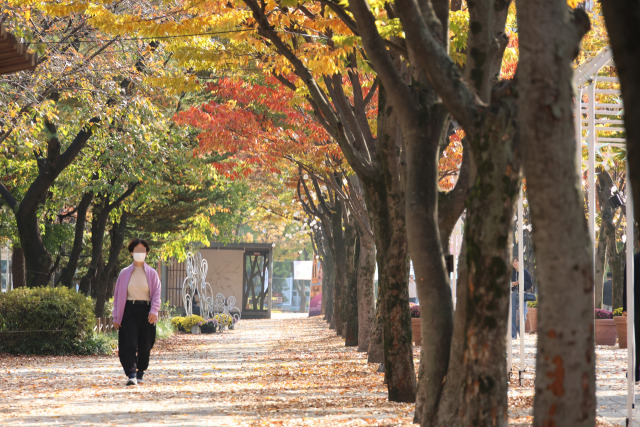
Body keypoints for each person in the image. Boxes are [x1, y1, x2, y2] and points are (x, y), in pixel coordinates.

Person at [112, 238, 161, 386]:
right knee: (129, 343)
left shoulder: (152, 273)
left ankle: (141, 371)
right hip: (129, 310)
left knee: (145, 344)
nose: (140, 253)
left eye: (143, 251)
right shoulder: (124, 273)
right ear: (131, 252)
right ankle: (131, 374)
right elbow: (117, 297)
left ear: (146, 253)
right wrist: (116, 316)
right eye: (137, 251)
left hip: (146, 310)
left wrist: (154, 311)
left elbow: (157, 294)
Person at [623, 252, 640, 381]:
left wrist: (625, 307)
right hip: (636, 306)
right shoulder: (633, 259)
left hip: (636, 306)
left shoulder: (633, 259)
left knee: (636, 339)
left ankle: (635, 371)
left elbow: (627, 286)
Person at [511, 256, 533, 339]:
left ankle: (520, 331)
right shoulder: (511, 272)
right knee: (512, 314)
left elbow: (530, 284)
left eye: (516, 261)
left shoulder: (525, 272)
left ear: (520, 262)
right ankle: (513, 334)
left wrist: (521, 283)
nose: (515, 263)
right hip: (513, 293)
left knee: (523, 314)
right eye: (513, 262)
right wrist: (512, 284)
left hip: (522, 294)